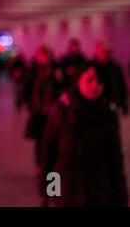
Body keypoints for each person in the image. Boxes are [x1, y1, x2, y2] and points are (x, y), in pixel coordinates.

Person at [40, 61, 128, 207]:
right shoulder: (62, 112)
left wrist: (121, 199)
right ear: (78, 80)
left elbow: (115, 161)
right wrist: (50, 193)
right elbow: (50, 156)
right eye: (90, 79)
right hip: (68, 194)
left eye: (100, 81)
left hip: (101, 196)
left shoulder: (108, 114)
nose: (95, 86)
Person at [24, 45, 61, 166]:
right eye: (42, 55)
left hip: (52, 109)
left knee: (52, 139)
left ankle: (49, 163)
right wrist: (29, 103)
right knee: (40, 139)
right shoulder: (33, 70)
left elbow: (61, 88)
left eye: (47, 55)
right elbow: (27, 87)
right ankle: (40, 164)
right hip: (38, 110)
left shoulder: (55, 70)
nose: (44, 58)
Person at [93, 41, 128, 117]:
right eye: (103, 51)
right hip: (95, 105)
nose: (105, 54)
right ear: (97, 51)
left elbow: (122, 87)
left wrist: (125, 107)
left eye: (108, 52)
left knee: (112, 127)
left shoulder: (116, 68)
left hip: (112, 104)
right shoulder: (91, 68)